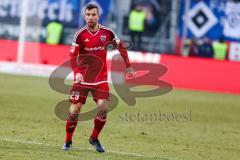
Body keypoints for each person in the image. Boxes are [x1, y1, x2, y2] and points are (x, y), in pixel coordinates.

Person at [62, 4, 136, 152]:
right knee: (75, 109)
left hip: (100, 78)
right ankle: (68, 140)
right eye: (88, 14)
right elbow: (72, 56)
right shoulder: (80, 35)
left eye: (93, 14)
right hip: (82, 79)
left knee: (103, 108)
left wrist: (128, 66)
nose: (90, 17)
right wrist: (76, 71)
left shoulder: (107, 33)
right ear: (84, 16)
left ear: (98, 16)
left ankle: (94, 137)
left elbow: (121, 47)